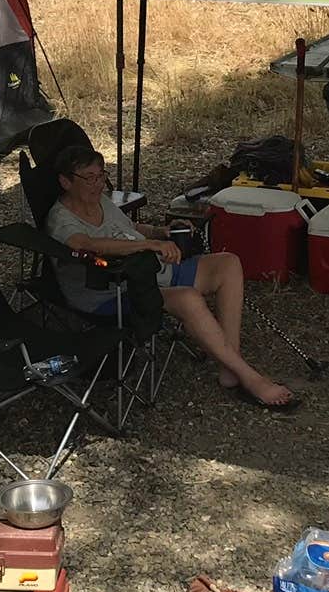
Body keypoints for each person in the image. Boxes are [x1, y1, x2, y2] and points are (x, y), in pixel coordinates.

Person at [46, 146, 298, 410]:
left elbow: (130, 228)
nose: (98, 184)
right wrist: (147, 246)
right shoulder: (61, 220)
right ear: (66, 181)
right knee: (188, 298)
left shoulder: (100, 200)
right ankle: (250, 377)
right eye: (89, 178)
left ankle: (229, 368)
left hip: (151, 272)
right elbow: (87, 245)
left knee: (228, 264)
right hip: (112, 291)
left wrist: (161, 232)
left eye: (101, 176)